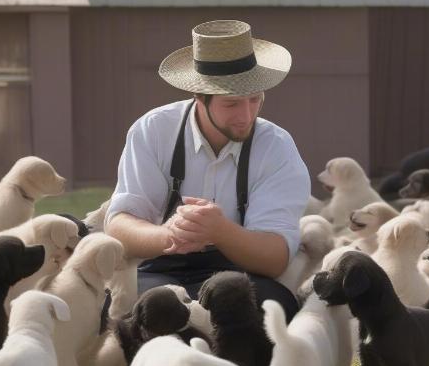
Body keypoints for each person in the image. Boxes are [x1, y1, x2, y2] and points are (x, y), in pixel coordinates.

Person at [105, 19, 310, 321]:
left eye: (255, 100)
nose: (247, 115)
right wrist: (169, 235)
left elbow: (275, 258)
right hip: (159, 268)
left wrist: (220, 230)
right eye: (232, 104)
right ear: (199, 97)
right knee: (150, 309)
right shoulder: (153, 130)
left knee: (273, 308)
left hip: (239, 272)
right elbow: (120, 224)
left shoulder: (276, 147)